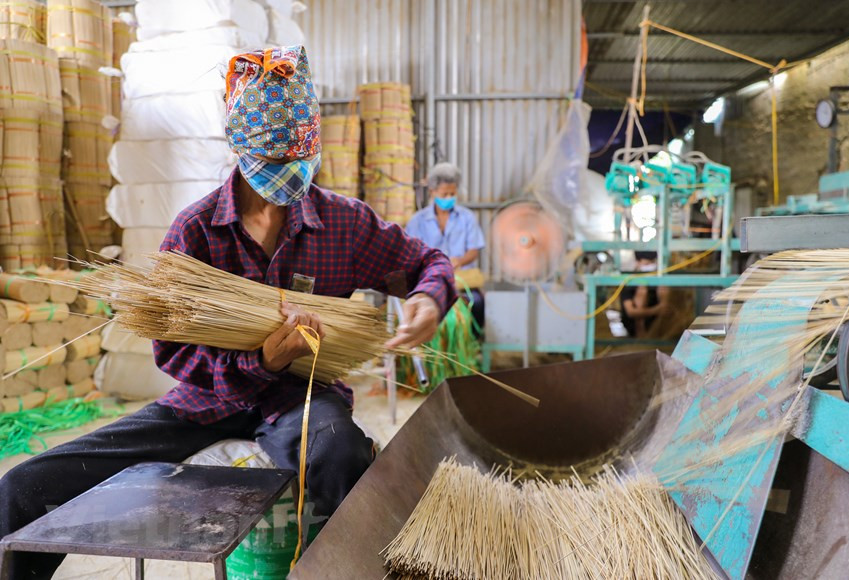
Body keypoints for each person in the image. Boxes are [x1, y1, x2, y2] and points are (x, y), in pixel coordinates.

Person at [0, 46, 456, 579]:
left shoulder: (343, 224)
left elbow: (424, 263)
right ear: (239, 149)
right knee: (23, 489)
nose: (286, 180)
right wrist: (261, 360)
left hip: (302, 398)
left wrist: (428, 297)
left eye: (296, 163)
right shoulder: (195, 233)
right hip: (207, 400)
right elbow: (173, 354)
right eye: (273, 165)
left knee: (342, 455)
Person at [406, 162, 485, 331]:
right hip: (428, 281)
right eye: (444, 194)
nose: (449, 198)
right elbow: (410, 253)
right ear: (433, 192)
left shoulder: (467, 218)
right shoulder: (417, 221)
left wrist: (460, 261)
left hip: (462, 281)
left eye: (452, 194)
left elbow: (474, 251)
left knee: (477, 304)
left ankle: (472, 347)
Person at [620, 251, 672, 338]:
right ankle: (640, 334)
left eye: (652, 263)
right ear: (638, 263)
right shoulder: (630, 282)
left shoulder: (657, 280)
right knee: (642, 291)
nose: (651, 266)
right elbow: (630, 312)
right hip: (633, 325)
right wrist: (657, 310)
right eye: (647, 263)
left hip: (654, 321)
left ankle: (662, 332)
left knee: (663, 288)